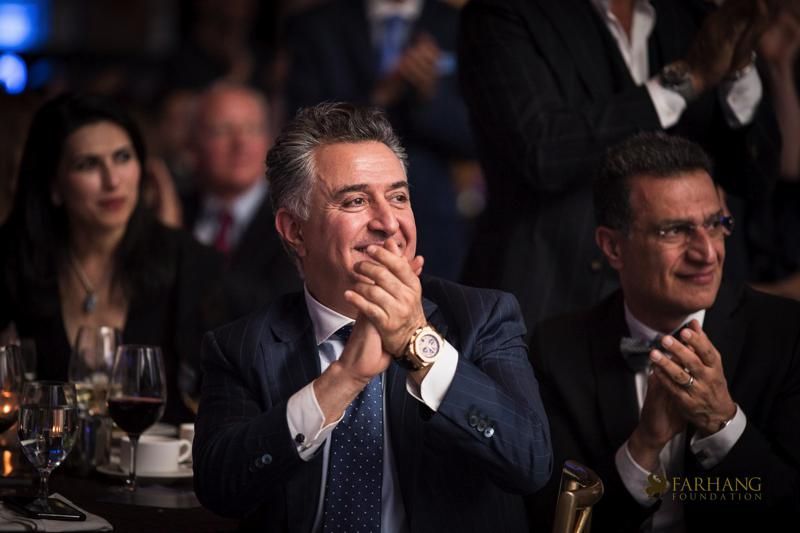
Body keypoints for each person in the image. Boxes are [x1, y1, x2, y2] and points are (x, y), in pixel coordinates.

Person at [193, 102, 551, 532]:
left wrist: (418, 344)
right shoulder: (241, 348)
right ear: (295, 230)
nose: (388, 222)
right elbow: (220, 489)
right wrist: (344, 378)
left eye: (398, 197)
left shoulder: (483, 318)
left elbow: (531, 463)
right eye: (356, 200)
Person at [528, 132, 800, 532]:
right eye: (674, 231)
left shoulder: (788, 334)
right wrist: (643, 446)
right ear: (613, 247)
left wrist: (723, 423)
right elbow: (560, 524)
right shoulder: (556, 349)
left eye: (715, 224)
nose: (707, 253)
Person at [458, 0, 780, 330]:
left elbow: (755, 176)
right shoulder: (502, 14)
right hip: (551, 296)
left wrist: (739, 69)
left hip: (689, 308)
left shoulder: (692, 14)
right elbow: (541, 153)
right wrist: (688, 79)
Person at [0, 93, 227, 423]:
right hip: (46, 454)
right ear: (54, 184)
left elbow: (223, 396)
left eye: (122, 157)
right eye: (88, 164)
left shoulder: (190, 262)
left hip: (161, 455)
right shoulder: (13, 258)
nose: (112, 181)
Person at [284, 0, 478, 280]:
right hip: (339, 223)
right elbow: (300, 128)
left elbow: (476, 137)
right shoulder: (317, 26)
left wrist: (429, 97)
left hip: (434, 221)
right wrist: (381, 96)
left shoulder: (458, 24)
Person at [183, 83, 301, 317]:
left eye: (252, 129)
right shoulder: (174, 209)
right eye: (222, 131)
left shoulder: (295, 219)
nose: (240, 144)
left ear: (269, 140)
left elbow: (278, 312)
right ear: (193, 143)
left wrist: (183, 250)